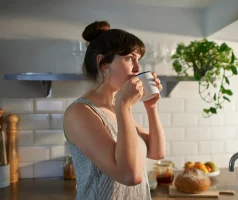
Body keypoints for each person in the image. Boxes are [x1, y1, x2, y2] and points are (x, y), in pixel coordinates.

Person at [63, 21, 166, 200]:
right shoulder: (79, 113)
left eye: (138, 59)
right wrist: (124, 106)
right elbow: (130, 176)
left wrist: (151, 106)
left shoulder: (115, 108)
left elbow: (157, 152)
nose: (137, 68)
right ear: (103, 63)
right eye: (128, 58)